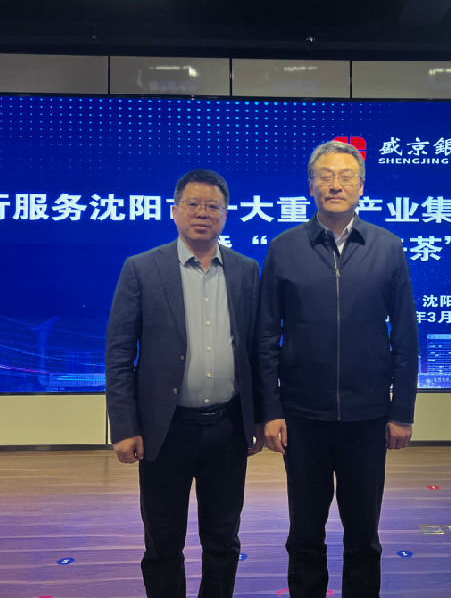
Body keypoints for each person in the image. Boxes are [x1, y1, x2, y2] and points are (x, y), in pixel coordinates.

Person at [257, 141, 419, 598]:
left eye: (346, 176)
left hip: (368, 417)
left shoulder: (387, 247)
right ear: (310, 185)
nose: (335, 184)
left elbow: (405, 336)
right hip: (302, 418)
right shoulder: (284, 248)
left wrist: (401, 412)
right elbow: (265, 338)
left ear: (361, 186)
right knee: (304, 535)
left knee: (364, 536)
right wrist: (272, 410)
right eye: (325, 175)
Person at [105, 168, 263, 598]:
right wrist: (124, 426)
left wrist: (260, 417)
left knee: (223, 539)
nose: (202, 213)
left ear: (225, 215)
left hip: (227, 428)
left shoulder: (247, 271)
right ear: (174, 211)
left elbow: (257, 351)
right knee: (162, 542)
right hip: (165, 429)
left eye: (213, 206)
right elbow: (119, 354)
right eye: (193, 204)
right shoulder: (142, 269)